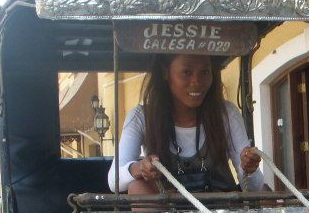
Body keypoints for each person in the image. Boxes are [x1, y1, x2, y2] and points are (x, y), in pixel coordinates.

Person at [107, 54, 263, 195]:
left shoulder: (227, 113)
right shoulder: (140, 116)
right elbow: (114, 181)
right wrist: (138, 168)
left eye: (205, 72)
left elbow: (255, 188)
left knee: (267, 193)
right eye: (186, 72)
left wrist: (249, 168)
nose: (197, 82)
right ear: (165, 72)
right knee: (137, 187)